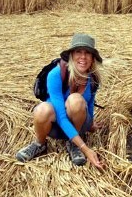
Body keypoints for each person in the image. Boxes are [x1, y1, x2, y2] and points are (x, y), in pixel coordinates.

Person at [16, 33, 104, 170]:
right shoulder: (56, 74)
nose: (83, 57)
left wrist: (90, 123)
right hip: (57, 125)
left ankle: (73, 144)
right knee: (42, 109)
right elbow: (61, 117)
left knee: (76, 100)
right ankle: (40, 144)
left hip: (79, 125)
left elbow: (90, 104)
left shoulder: (93, 79)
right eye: (78, 52)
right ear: (71, 56)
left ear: (93, 58)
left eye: (88, 53)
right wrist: (86, 149)